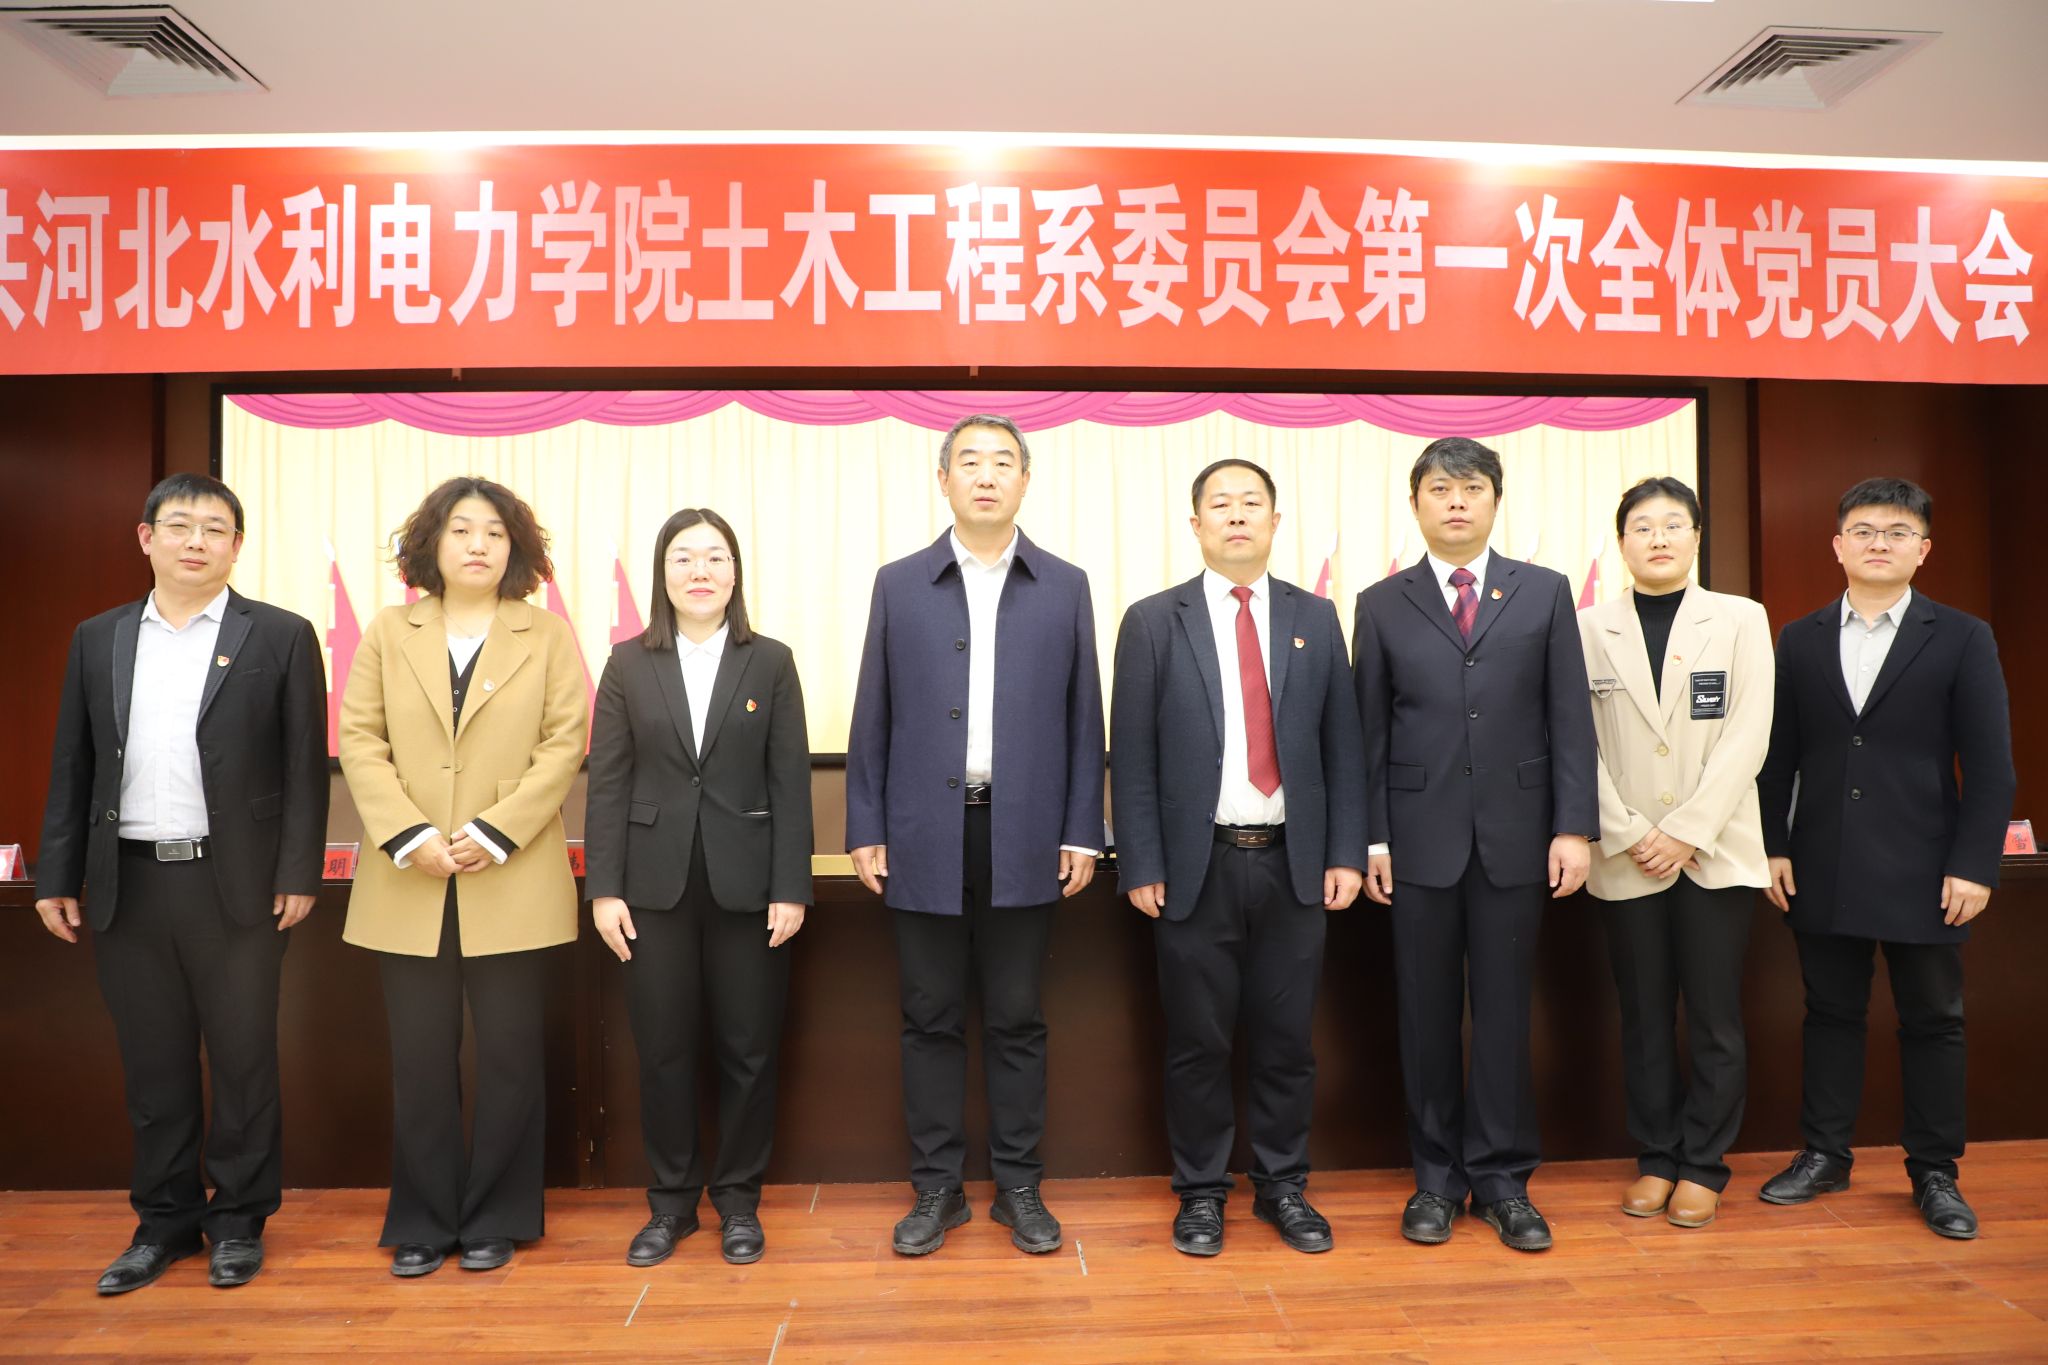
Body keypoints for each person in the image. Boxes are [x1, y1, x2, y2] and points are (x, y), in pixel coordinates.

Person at [34, 473, 329, 1295]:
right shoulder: (98, 637)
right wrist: (57, 871)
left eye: (214, 528)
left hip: (234, 883)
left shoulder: (280, 634)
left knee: (243, 1061)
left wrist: (297, 869)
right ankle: (162, 1221)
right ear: (146, 537)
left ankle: (238, 1220)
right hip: (127, 881)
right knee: (153, 1065)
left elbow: (305, 767)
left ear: (238, 545)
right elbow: (73, 762)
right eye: (179, 525)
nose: (196, 541)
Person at [845, 413, 1106, 1258]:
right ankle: (937, 1188)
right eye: (970, 461)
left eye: (1002, 462)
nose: (986, 475)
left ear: (1025, 480)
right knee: (928, 1015)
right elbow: (873, 712)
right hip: (923, 832)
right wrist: (866, 823)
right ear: (944, 479)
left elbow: (1084, 718)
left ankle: (1019, 1185)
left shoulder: (1064, 585)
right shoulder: (899, 583)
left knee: (1019, 1016)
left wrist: (1082, 828)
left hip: (1026, 831)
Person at [1109, 458, 1366, 1258]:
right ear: (1196, 525)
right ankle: (1200, 1191)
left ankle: (1283, 1185)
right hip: (1197, 866)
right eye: (1220, 504)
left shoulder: (1315, 616)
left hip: (1294, 863)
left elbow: (1343, 745)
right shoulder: (1154, 620)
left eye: (1252, 503)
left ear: (1275, 522)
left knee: (1288, 1040)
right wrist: (1141, 860)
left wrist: (1345, 852)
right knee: (1198, 1042)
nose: (1237, 515)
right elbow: (1133, 754)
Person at [1351, 436, 1597, 1253]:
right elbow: (1368, 733)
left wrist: (1573, 826)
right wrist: (1372, 837)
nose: (1456, 501)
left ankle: (1501, 1180)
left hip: (1518, 839)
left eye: (1471, 488)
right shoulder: (1380, 602)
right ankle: (1434, 1178)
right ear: (1416, 503)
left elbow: (1569, 716)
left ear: (1495, 500)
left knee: (1503, 1015)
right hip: (1415, 842)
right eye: (1440, 488)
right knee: (1424, 1016)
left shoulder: (1544, 591)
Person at [338, 476, 587, 1277]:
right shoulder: (389, 631)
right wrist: (408, 832)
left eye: (494, 532)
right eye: (461, 530)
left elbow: (564, 742)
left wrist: (496, 829)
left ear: (517, 549)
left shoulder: (546, 635)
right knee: (419, 1059)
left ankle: (497, 1217)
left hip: (511, 875)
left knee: (511, 1057)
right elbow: (360, 738)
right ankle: (423, 1219)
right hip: (409, 875)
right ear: (432, 544)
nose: (478, 544)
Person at [1756, 477, 2014, 1240]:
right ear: (1837, 544)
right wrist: (1773, 844)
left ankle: (1935, 1171)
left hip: (1928, 868)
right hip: (1822, 859)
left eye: (1898, 532)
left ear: (1923, 550)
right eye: (1864, 530)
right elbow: (1777, 756)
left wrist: (1975, 863)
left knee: (1934, 1019)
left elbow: (1990, 765)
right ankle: (1824, 1154)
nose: (1879, 543)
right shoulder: (1800, 637)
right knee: (1829, 1012)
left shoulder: (1963, 636)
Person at [585, 508, 813, 1268]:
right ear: (663, 574)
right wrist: (604, 889)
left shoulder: (769, 661)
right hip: (651, 889)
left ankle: (739, 1201)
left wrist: (791, 886)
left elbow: (789, 781)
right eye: (684, 557)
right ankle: (672, 1204)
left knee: (749, 1050)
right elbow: (608, 781)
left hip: (750, 887)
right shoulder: (627, 662)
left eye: (715, 557)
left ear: (735, 573)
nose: (700, 571)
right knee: (663, 1050)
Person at [1578, 477, 1772, 1230]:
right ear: (1621, 541)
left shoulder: (1741, 618)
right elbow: (1577, 742)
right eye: (1641, 526)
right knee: (1644, 1016)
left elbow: (1748, 734)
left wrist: (1688, 828)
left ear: (1697, 536)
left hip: (1714, 851)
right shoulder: (1587, 627)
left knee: (1716, 1016)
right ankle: (1656, 1155)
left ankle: (1704, 1163)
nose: (1657, 537)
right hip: (1626, 853)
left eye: (1672, 524)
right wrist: (1629, 832)